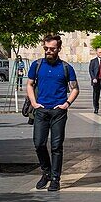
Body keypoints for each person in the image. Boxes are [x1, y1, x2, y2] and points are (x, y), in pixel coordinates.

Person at [26, 34, 79, 192]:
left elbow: (75, 88)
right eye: (46, 48)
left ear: (58, 49)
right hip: (41, 111)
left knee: (56, 146)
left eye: (52, 49)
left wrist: (67, 103)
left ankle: (55, 178)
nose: (48, 51)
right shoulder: (37, 65)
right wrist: (34, 103)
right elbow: (29, 84)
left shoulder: (66, 68)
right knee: (39, 143)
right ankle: (46, 172)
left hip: (58, 112)